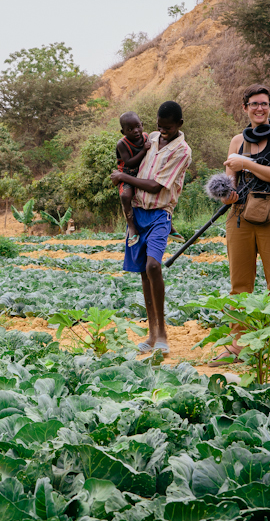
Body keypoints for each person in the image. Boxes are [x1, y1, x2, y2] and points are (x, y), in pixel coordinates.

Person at [210, 84, 270, 366]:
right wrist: (227, 194)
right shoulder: (237, 141)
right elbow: (229, 183)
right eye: (254, 104)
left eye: (264, 104)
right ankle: (238, 346)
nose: (259, 108)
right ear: (245, 108)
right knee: (239, 285)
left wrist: (245, 164)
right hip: (239, 215)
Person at [110, 101, 192, 356]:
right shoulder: (153, 138)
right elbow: (130, 156)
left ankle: (163, 333)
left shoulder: (183, 151)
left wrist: (122, 177)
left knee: (153, 266)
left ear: (179, 125)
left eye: (167, 127)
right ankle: (152, 333)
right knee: (144, 274)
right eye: (159, 125)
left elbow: (157, 186)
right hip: (137, 211)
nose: (162, 131)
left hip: (160, 214)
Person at [115, 112, 151, 246]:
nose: (135, 131)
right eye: (130, 129)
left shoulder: (146, 137)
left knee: (158, 188)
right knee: (125, 196)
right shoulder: (122, 144)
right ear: (123, 131)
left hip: (144, 171)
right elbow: (129, 162)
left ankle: (168, 224)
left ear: (142, 125)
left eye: (137, 126)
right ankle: (131, 226)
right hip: (127, 174)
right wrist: (143, 151)